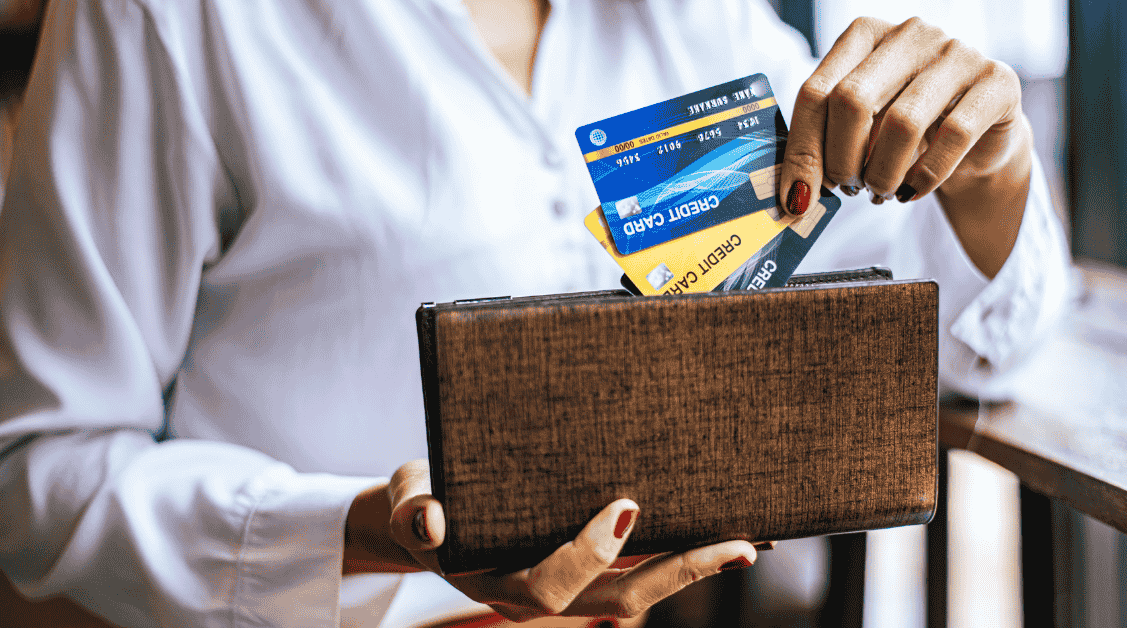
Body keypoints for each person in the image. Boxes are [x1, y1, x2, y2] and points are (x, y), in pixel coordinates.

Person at [0, 0, 1071, 626]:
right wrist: (366, 534)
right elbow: (38, 473)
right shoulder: (176, 20)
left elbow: (966, 340)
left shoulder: (697, 22)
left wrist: (988, 171)